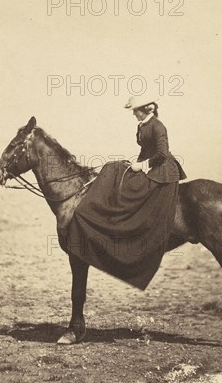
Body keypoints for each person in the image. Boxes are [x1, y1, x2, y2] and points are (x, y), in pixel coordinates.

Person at [65, 97, 186, 290]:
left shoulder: (158, 126)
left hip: (163, 171)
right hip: (151, 166)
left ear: (143, 110)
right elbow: (146, 149)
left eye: (135, 110)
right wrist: (134, 164)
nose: (133, 113)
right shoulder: (143, 124)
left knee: (128, 183)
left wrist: (143, 165)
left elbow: (162, 154)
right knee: (113, 168)